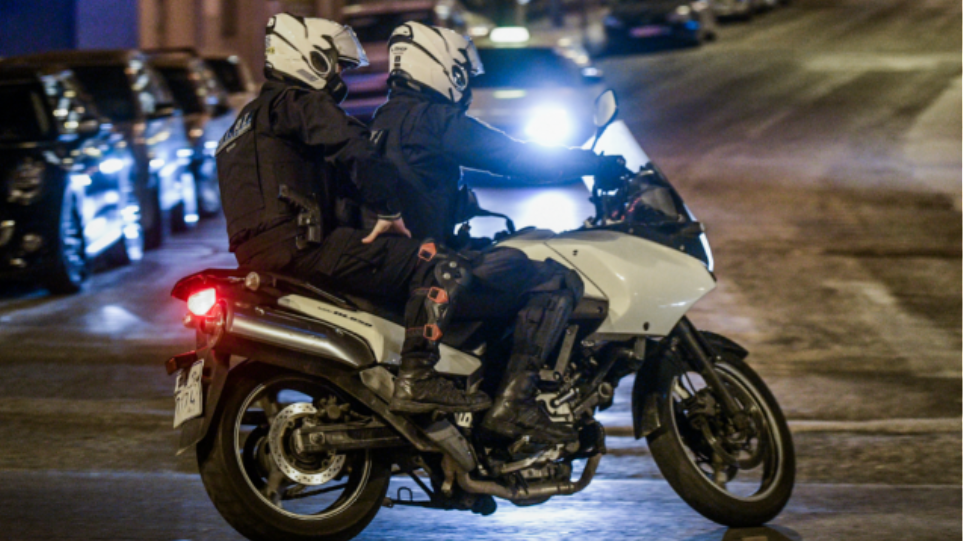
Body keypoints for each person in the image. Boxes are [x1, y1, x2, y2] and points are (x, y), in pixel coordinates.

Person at [370, 22, 631, 443]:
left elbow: (416, 188)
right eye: (461, 73)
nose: (465, 85)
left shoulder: (386, 117)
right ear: (439, 67)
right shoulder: (434, 119)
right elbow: (514, 157)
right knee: (555, 279)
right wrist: (594, 163)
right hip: (430, 267)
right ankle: (515, 403)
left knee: (503, 259)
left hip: (407, 262)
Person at [215, 13, 489, 414]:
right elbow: (357, 150)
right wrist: (387, 207)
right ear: (310, 58)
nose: (340, 77)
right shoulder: (299, 102)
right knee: (438, 264)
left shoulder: (243, 122)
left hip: (257, 257)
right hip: (306, 248)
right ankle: (418, 376)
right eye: (337, 66)